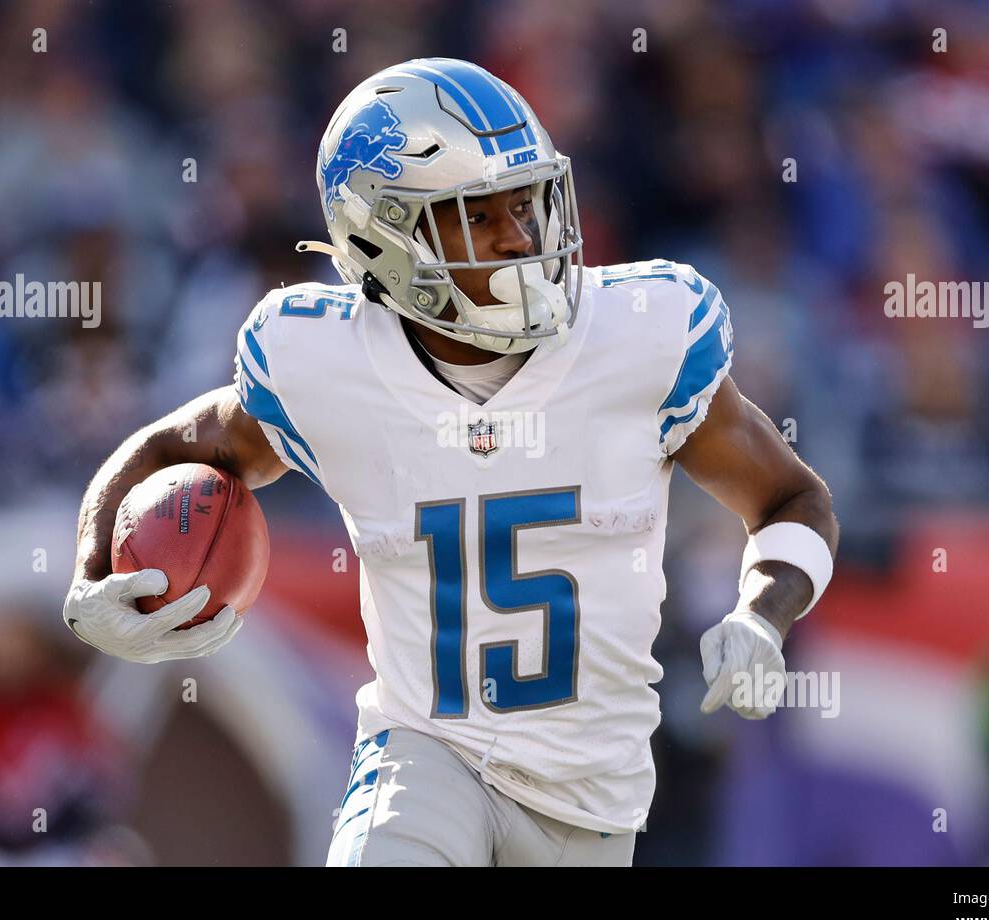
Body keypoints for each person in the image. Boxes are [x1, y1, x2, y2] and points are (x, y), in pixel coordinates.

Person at [62, 58, 838, 867]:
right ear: (381, 241)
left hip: (594, 791)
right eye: (478, 214)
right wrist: (91, 576)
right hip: (425, 752)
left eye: (527, 200)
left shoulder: (642, 335)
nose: (522, 235)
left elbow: (790, 499)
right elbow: (170, 448)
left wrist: (763, 613)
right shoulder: (323, 361)